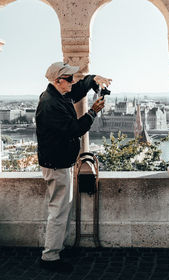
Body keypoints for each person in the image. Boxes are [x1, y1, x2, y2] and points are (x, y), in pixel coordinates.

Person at [35, 62, 112, 273]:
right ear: (57, 81)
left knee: (63, 209)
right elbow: (74, 129)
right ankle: (50, 256)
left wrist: (94, 78)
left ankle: (58, 248)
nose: (72, 81)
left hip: (61, 162)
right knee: (59, 211)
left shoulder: (59, 94)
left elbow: (78, 89)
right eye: (69, 79)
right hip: (57, 164)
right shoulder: (51, 104)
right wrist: (92, 112)